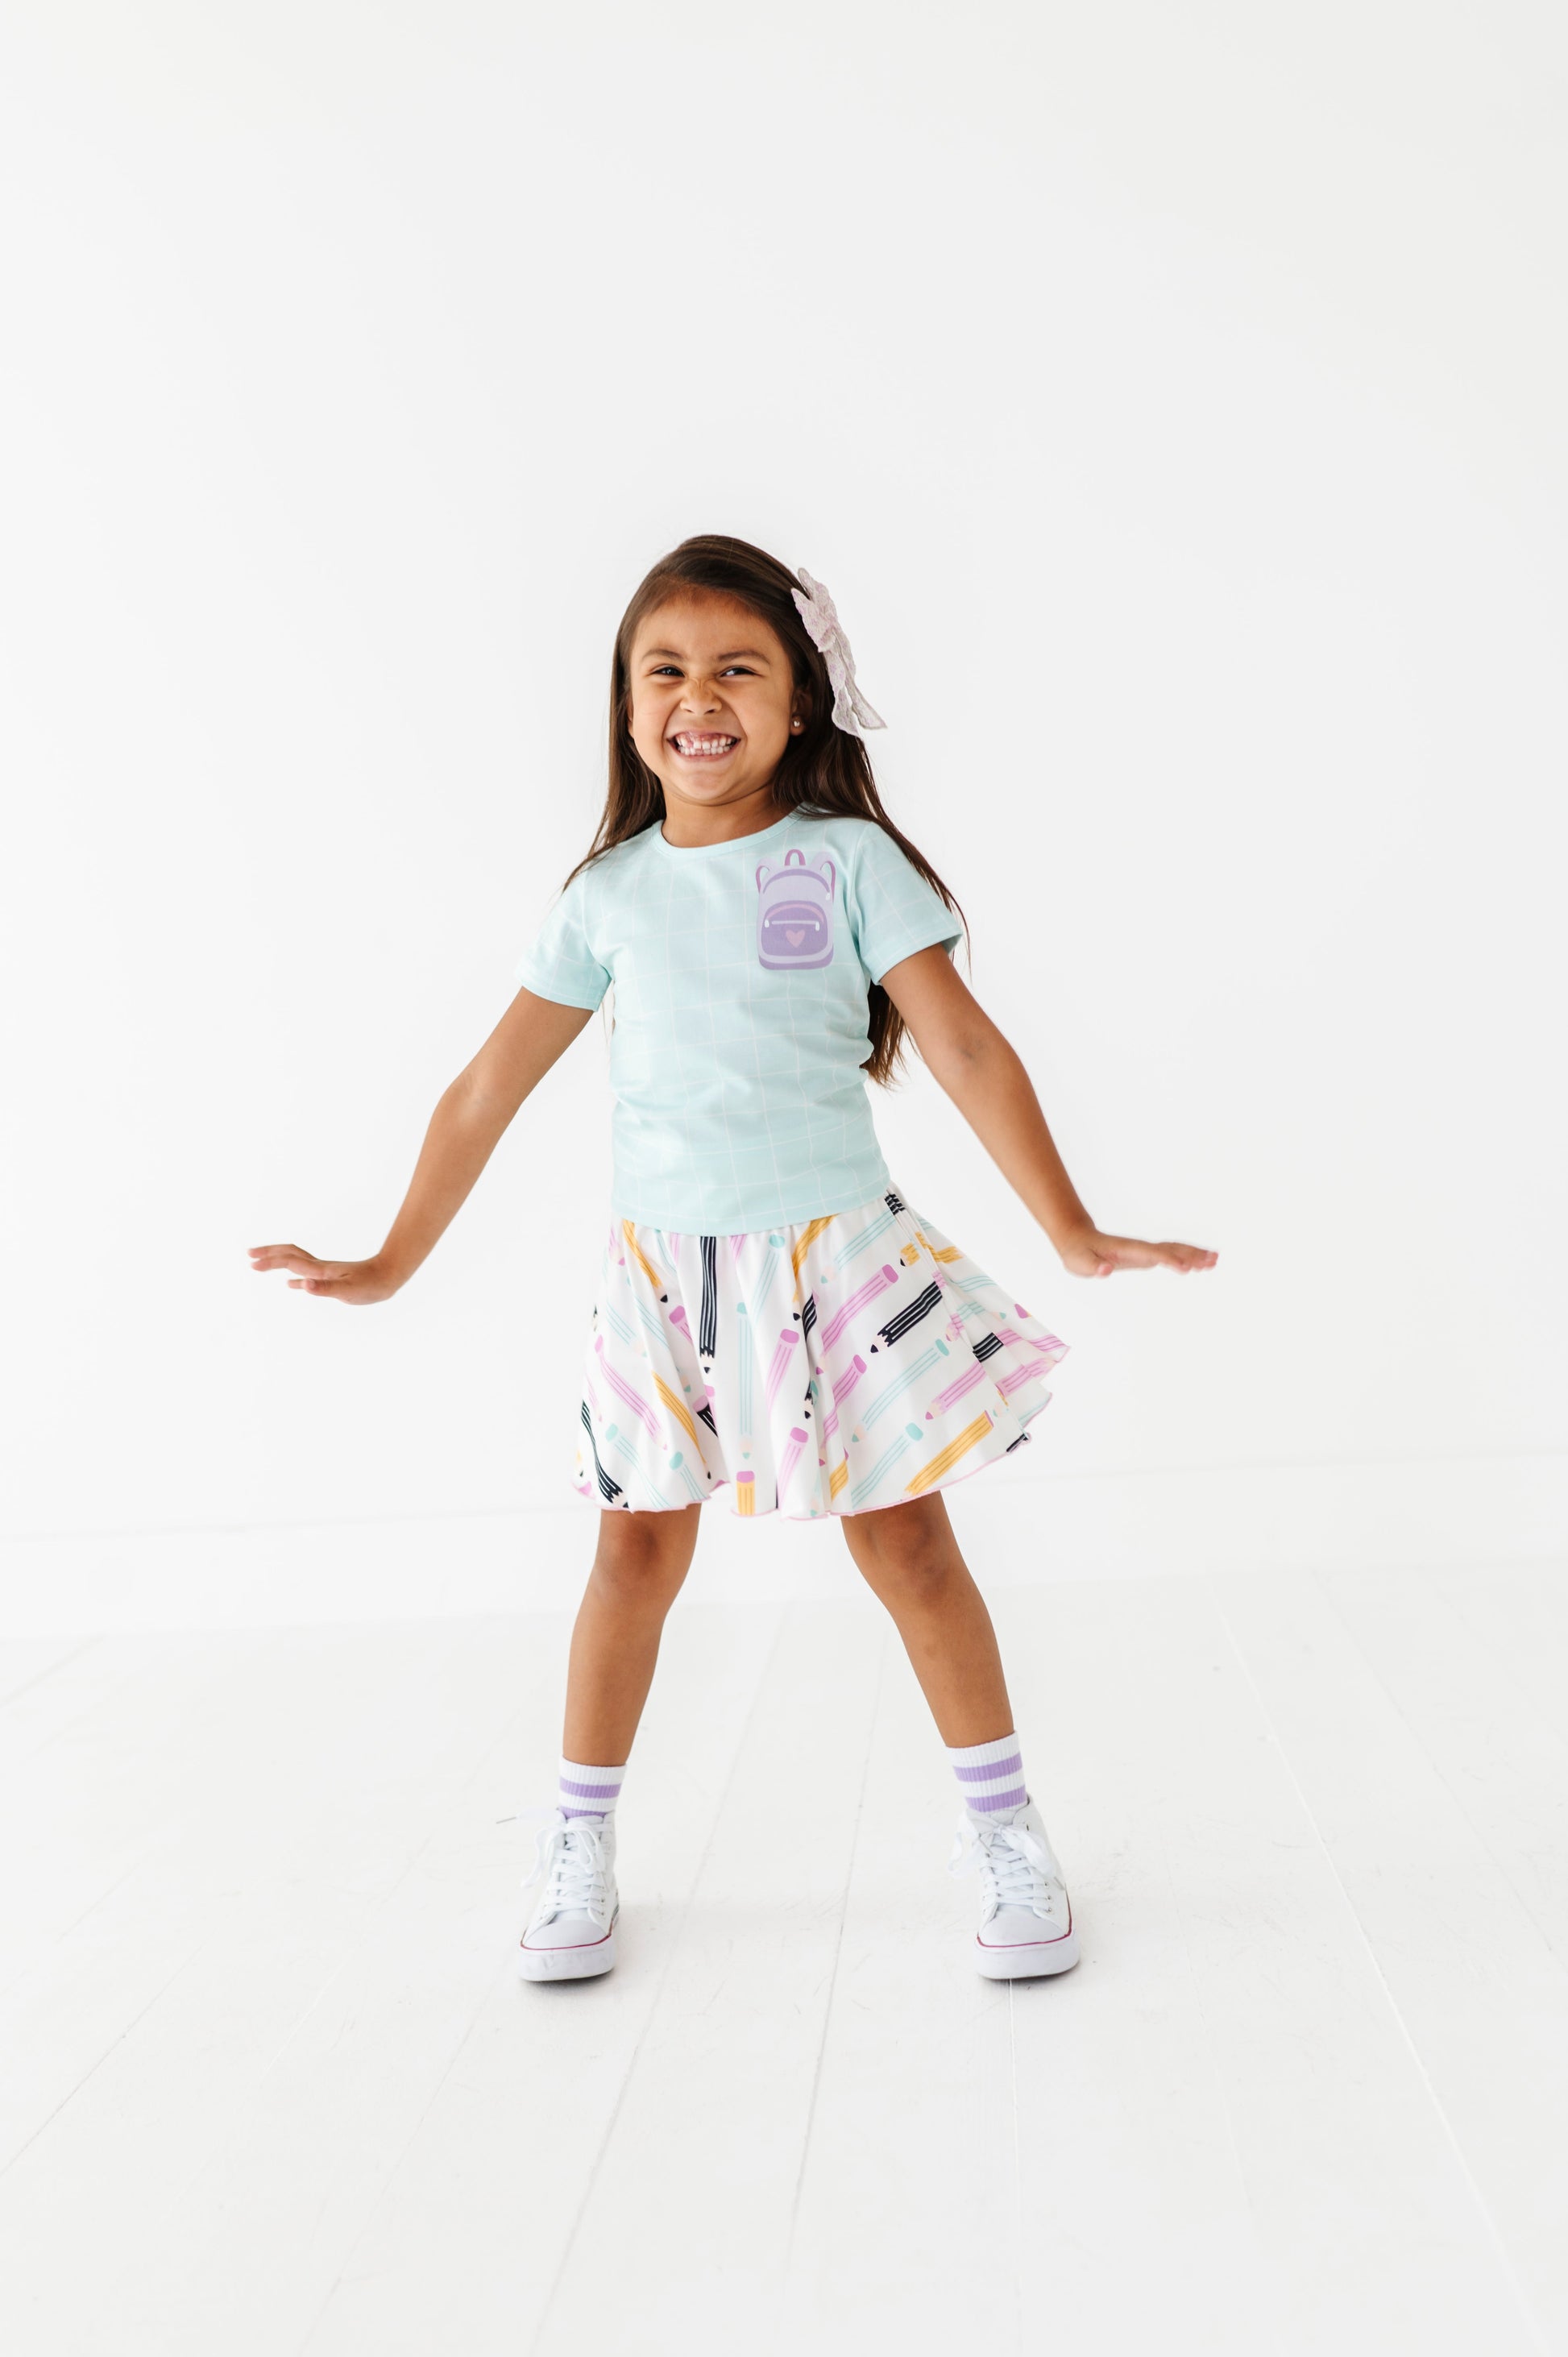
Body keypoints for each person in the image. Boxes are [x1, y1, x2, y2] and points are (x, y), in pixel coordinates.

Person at [249, 534, 1217, 1988]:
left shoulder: (847, 862)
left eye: (736, 669)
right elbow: (486, 1087)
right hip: (664, 1285)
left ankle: (1004, 1829)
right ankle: (577, 1841)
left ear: (800, 699)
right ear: (627, 703)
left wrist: (1070, 1227)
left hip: (840, 1264)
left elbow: (963, 1045)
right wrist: (389, 1260)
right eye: (666, 671)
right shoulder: (607, 894)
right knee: (633, 1551)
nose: (698, 699)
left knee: (907, 1544)